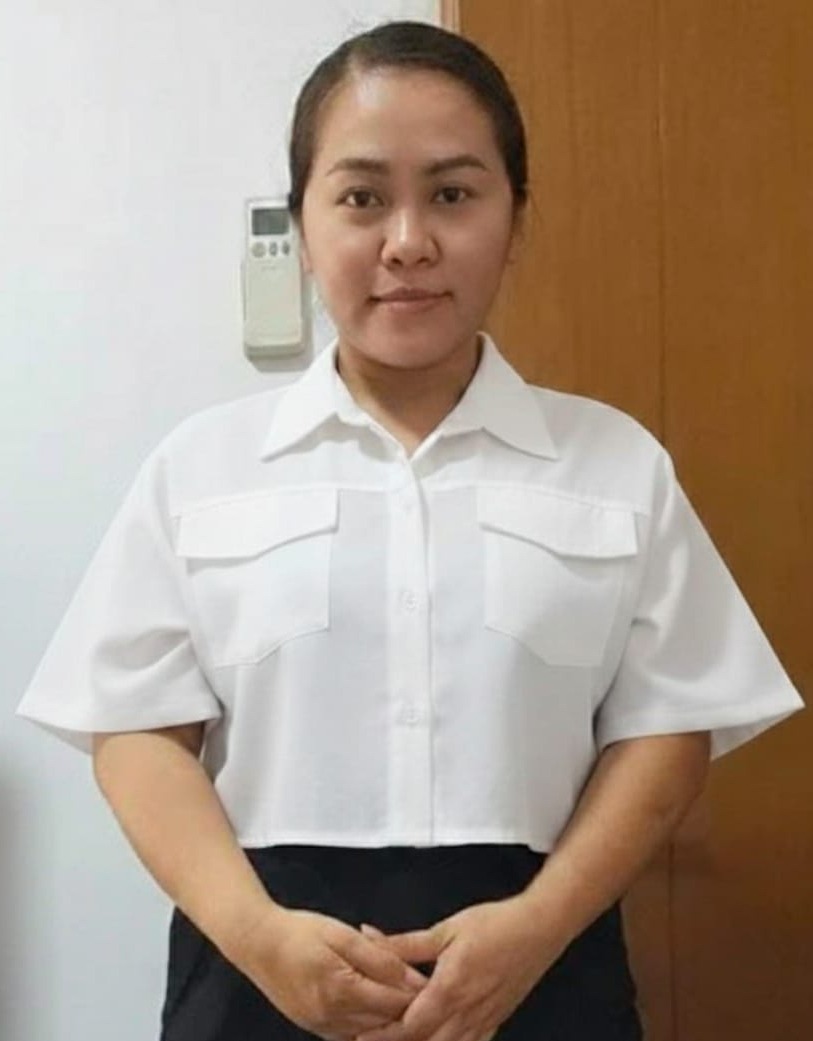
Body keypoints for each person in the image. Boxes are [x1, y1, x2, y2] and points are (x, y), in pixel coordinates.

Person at [17, 19, 804, 1041]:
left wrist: (537, 926)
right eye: (360, 198)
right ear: (303, 225)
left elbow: (668, 728)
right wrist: (259, 935)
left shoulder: (615, 464)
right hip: (260, 967)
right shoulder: (201, 468)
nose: (406, 242)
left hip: (541, 965)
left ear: (515, 220)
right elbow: (134, 731)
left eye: (452, 194)